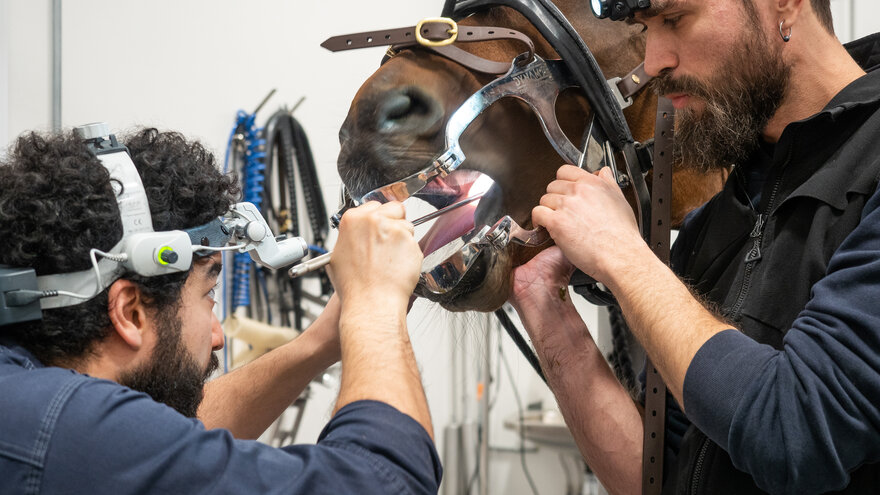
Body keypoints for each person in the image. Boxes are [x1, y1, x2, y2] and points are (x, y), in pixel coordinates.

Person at [509, 0, 880, 493]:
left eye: (675, 19)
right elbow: (656, 478)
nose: (655, 59)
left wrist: (621, 254)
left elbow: (798, 434)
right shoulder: (717, 222)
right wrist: (542, 305)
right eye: (646, 28)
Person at [0, 128, 441, 494]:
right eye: (208, 294)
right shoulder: (62, 430)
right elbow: (384, 483)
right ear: (131, 312)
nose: (218, 335)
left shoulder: (26, 395)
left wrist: (320, 344)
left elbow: (162, 441)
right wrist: (374, 307)